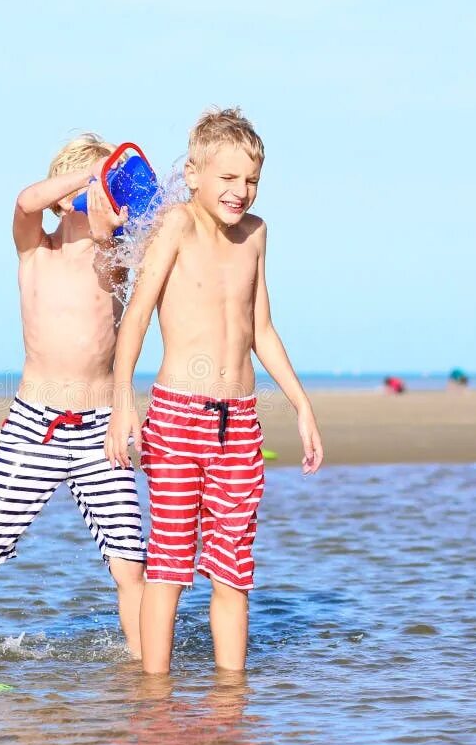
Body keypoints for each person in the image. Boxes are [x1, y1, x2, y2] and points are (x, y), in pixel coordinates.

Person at [105, 108, 324, 674]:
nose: (240, 192)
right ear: (195, 174)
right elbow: (136, 317)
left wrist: (302, 406)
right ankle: (155, 695)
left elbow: (262, 330)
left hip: (241, 423)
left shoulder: (256, 234)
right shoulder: (177, 225)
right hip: (178, 417)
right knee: (170, 566)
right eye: (227, 178)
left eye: (250, 180)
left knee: (233, 570)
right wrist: (122, 405)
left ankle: (233, 702)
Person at [0, 135, 146, 658]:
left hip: (100, 427)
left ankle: (144, 673)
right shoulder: (34, 251)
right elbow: (25, 202)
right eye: (96, 188)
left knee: (130, 564)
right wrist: (87, 182)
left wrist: (127, 407)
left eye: (109, 188)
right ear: (67, 197)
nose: (106, 199)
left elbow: (124, 330)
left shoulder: (116, 258)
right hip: (34, 427)